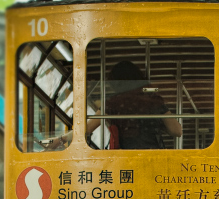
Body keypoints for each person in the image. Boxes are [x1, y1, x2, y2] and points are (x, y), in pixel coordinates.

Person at [48, 59, 182, 150]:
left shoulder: (113, 103)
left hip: (124, 157)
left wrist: (62, 139)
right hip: (153, 155)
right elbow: (176, 131)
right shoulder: (153, 100)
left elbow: (87, 129)